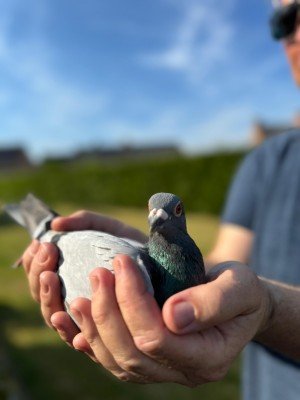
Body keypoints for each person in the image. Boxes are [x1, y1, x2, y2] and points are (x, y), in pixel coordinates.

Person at [21, 0, 300, 397]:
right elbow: (222, 261)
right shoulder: (265, 162)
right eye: (285, 21)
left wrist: (269, 308)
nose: (298, 33)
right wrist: (222, 292)